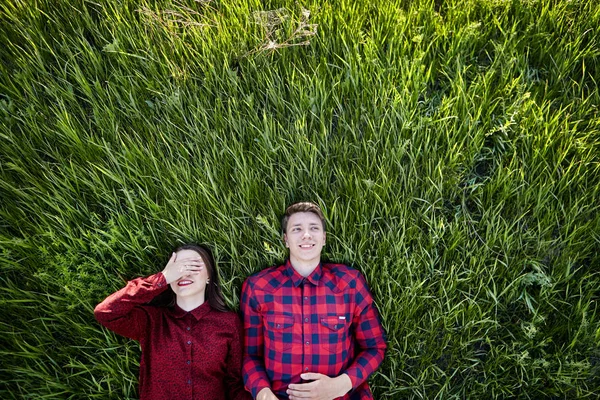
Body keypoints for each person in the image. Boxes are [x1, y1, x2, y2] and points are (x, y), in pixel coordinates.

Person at [241, 202, 386, 400]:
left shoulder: (349, 283)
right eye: (297, 229)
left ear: (324, 238)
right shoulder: (259, 287)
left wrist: (340, 385)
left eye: (314, 228)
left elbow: (374, 347)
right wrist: (264, 394)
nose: (306, 235)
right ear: (286, 239)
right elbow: (250, 356)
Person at [95, 244, 252, 400]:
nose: (184, 274)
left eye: (193, 266)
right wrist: (162, 279)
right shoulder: (152, 321)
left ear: (209, 276)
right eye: (178, 268)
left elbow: (233, 383)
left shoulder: (228, 323)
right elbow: (105, 312)